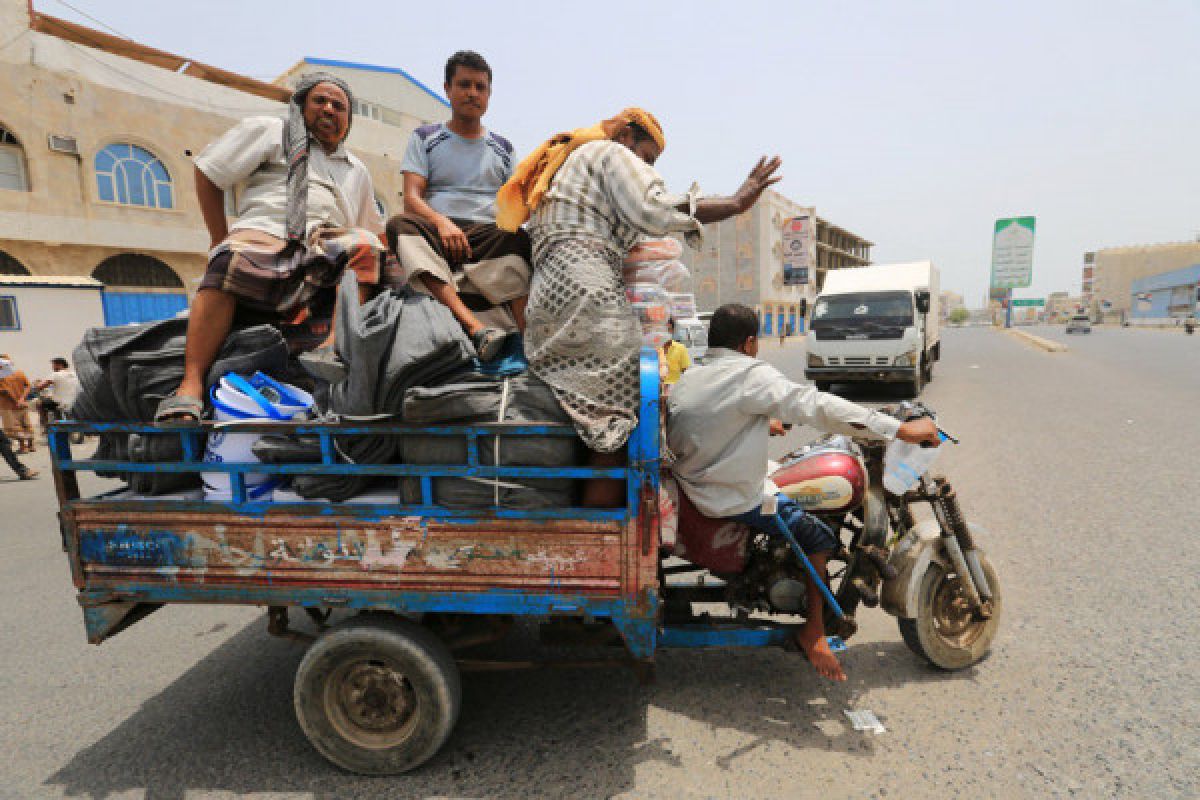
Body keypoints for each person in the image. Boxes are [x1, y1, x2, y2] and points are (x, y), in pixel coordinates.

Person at [667, 304, 940, 681]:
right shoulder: (750, 375)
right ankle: (813, 631)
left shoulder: (695, 375)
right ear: (750, 343)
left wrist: (763, 422)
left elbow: (715, 417)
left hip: (700, 481)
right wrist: (898, 429)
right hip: (726, 494)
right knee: (819, 534)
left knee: (786, 481)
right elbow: (816, 404)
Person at [497, 107, 782, 466]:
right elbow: (653, 210)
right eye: (646, 158)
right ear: (626, 136)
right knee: (625, 403)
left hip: (548, 291)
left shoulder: (571, 165)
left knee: (576, 394)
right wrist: (735, 202)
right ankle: (611, 502)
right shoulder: (610, 152)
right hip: (586, 286)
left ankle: (583, 480)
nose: (646, 169)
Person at [156, 72, 386, 421]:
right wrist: (218, 236)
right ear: (300, 106)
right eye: (319, 100)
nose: (328, 109)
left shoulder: (358, 170)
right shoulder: (270, 131)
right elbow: (208, 171)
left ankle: (332, 349)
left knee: (367, 247)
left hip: (324, 242)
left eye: (338, 106)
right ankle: (191, 385)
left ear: (348, 120)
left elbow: (372, 228)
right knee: (229, 259)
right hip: (265, 231)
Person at [388, 51, 531, 362]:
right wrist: (441, 223)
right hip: (438, 230)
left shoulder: (503, 149)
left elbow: (514, 203)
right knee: (399, 226)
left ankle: (528, 339)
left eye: (481, 87)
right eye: (464, 84)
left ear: (489, 94)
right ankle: (475, 326)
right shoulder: (425, 138)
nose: (472, 93)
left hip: (487, 234)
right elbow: (412, 197)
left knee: (519, 238)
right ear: (447, 88)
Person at [34, 357, 81, 432]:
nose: (52, 367)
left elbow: (41, 386)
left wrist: (36, 386)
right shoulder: (75, 374)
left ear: (59, 365)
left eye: (53, 365)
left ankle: (45, 425)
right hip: (75, 401)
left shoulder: (56, 374)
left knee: (39, 404)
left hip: (59, 402)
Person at [0, 355, 35, 453]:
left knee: (14, 427)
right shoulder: (19, 372)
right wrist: (22, 399)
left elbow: (6, 392)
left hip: (9, 405)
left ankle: (23, 447)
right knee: (26, 424)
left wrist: (16, 401)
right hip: (22, 404)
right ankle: (31, 446)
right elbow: (28, 386)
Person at [659, 320, 691, 390]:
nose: (666, 332)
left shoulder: (681, 348)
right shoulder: (652, 349)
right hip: (654, 391)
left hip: (674, 391)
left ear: (672, 331)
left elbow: (685, 372)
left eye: (669, 329)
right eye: (663, 330)